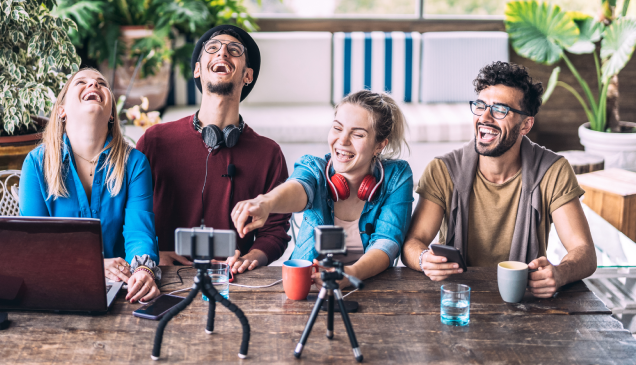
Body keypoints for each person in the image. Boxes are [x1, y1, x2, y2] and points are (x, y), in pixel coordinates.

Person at [402, 61, 596, 298]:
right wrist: (424, 259)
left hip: (524, 300)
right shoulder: (443, 170)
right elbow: (414, 242)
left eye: (500, 110)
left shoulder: (553, 171)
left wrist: (560, 273)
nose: (485, 117)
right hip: (457, 298)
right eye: (480, 105)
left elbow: (584, 252)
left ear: (526, 124)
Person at [137, 25, 291, 273]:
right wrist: (150, 255)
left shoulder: (268, 154)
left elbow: (275, 230)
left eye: (234, 50)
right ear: (198, 69)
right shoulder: (154, 140)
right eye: (213, 48)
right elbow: (131, 213)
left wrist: (252, 257)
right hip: (161, 278)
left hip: (232, 281)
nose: (222, 53)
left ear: (247, 75)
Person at [232, 90, 413, 288]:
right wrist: (266, 202)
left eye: (358, 134)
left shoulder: (397, 177)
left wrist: (350, 274)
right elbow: (298, 187)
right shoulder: (313, 168)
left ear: (379, 145)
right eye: (337, 128)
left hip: (374, 291)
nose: (342, 141)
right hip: (307, 289)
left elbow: (387, 242)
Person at [20, 68, 160, 303]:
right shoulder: (35, 164)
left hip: (121, 293)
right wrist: (91, 265)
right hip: (54, 290)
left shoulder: (135, 163)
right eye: (82, 82)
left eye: (101, 83)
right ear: (62, 110)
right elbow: (35, 246)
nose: (93, 85)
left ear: (112, 113)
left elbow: (139, 231)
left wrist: (143, 271)